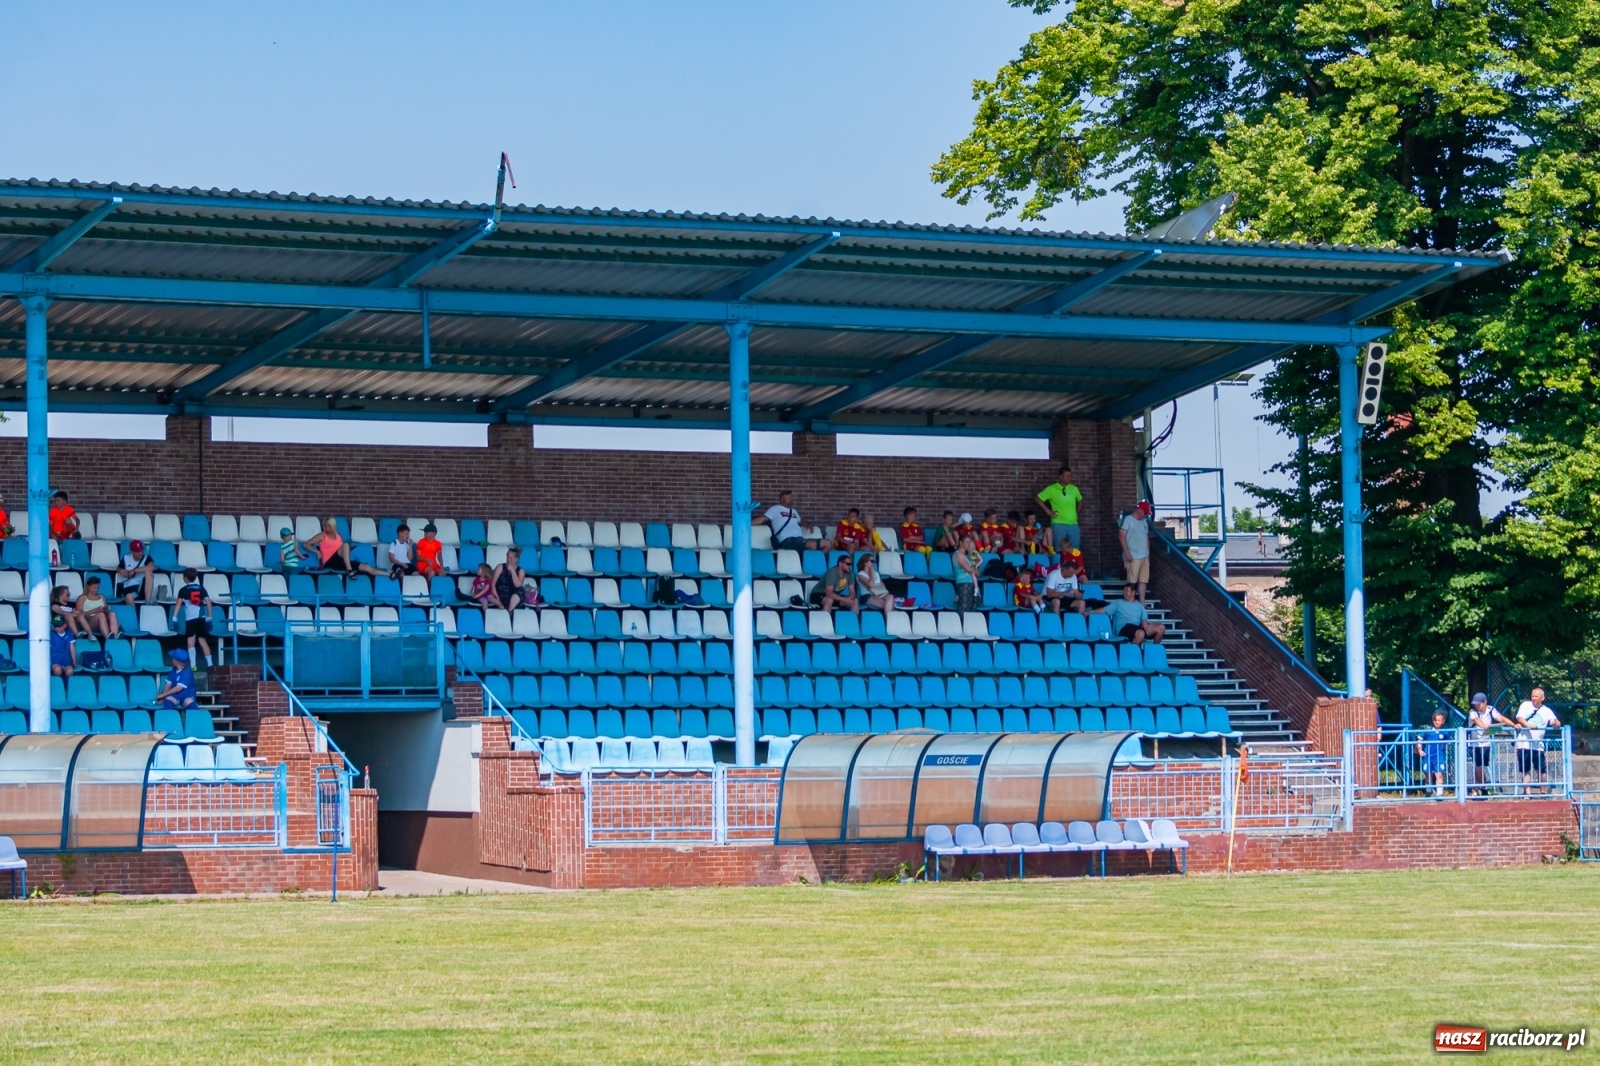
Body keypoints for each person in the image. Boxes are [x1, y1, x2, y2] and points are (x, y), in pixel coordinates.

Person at [1513, 687, 1562, 794]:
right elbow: (1520, 718)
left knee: (1541, 769)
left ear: (1542, 698)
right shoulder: (1525, 705)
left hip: (1537, 744)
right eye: (1532, 696)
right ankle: (1527, 793)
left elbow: (1556, 722)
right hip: (1523, 743)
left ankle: (1542, 791)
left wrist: (1555, 723)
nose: (1534, 698)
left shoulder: (1547, 711)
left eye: (1536, 696)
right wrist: (1528, 725)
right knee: (1525, 769)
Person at [1467, 692, 1512, 792]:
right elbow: (1476, 719)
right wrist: (1483, 725)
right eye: (1475, 704)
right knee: (1478, 766)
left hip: (1486, 742)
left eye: (1479, 704)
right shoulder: (1473, 711)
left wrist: (1513, 725)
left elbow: (1501, 718)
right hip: (1474, 743)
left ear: (1485, 702)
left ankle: (1476, 788)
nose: (1476, 706)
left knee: (1483, 765)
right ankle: (1483, 788)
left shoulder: (1491, 710)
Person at [172, 567, 214, 670]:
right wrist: (209, 618)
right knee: (203, 641)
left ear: (185, 578)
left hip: (191, 619)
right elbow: (208, 603)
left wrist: (174, 618)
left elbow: (178, 604)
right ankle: (210, 665)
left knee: (191, 642)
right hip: (201, 617)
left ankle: (193, 666)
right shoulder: (201, 588)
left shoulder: (183, 590)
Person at [1036, 466, 1085, 553]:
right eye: (1067, 476)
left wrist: (1076, 512)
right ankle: (1059, 566)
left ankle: (1073, 566)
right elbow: (1038, 498)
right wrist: (1048, 511)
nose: (1069, 478)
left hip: (1073, 524)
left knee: (1075, 550)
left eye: (1070, 476)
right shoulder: (1052, 489)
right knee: (1059, 549)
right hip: (1058, 524)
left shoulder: (1074, 489)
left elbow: (1080, 500)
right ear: (1060, 477)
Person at [754, 489, 821, 551]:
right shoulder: (775, 509)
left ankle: (821, 561)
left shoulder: (794, 511)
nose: (791, 500)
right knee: (812, 544)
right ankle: (806, 563)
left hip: (799, 539)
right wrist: (746, 523)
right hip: (787, 540)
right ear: (781, 500)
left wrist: (808, 524)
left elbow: (801, 522)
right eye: (788, 498)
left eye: (791, 497)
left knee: (827, 543)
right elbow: (763, 519)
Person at [1119, 500, 1154, 603]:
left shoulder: (1144, 522)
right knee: (1132, 581)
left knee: (1143, 580)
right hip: (1133, 555)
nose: (1146, 515)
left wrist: (1147, 553)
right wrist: (1127, 552)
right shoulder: (1127, 520)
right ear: (1140, 511)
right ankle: (1130, 602)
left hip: (1144, 556)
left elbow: (1146, 538)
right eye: (1145, 513)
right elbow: (1121, 537)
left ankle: (1142, 602)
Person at [1415, 711, 1452, 799]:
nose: (1436, 722)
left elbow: (1447, 743)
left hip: (1439, 756)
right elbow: (1419, 740)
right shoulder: (1427, 730)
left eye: (1439, 720)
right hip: (1428, 756)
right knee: (1428, 774)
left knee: (1439, 774)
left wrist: (1444, 749)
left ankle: (1439, 794)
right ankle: (1428, 792)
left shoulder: (1445, 732)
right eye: (1435, 720)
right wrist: (1420, 750)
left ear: (1443, 721)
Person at [492, 546, 534, 611]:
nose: (508, 560)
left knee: (521, 591)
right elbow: (492, 585)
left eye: (511, 558)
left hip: (514, 597)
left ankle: (509, 611)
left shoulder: (521, 571)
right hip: (500, 594)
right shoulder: (500, 567)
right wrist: (498, 600)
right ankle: (509, 612)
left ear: (516, 559)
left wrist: (512, 571)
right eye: (507, 557)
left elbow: (518, 586)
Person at [116, 539, 157, 606]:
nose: (140, 553)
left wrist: (134, 570)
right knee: (129, 597)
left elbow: (151, 567)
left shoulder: (147, 558)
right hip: (129, 587)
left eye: (141, 550)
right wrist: (121, 571)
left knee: (149, 573)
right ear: (132, 551)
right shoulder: (126, 558)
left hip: (141, 587)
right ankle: (134, 615)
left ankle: (148, 603)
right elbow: (118, 568)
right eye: (137, 552)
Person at [855, 554, 894, 622]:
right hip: (867, 596)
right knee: (889, 606)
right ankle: (889, 621)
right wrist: (871, 574)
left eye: (874, 561)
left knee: (890, 597)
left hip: (879, 594)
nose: (873, 563)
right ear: (865, 562)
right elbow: (871, 585)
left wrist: (882, 594)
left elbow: (882, 585)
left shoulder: (876, 573)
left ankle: (889, 620)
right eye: (871, 561)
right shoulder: (861, 575)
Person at [953, 533, 983, 612]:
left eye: (969, 542)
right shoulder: (958, 555)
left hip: (969, 582)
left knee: (971, 606)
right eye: (966, 542)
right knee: (964, 606)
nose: (968, 544)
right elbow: (968, 569)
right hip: (963, 582)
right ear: (961, 542)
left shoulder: (965, 555)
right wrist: (976, 572)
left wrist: (974, 570)